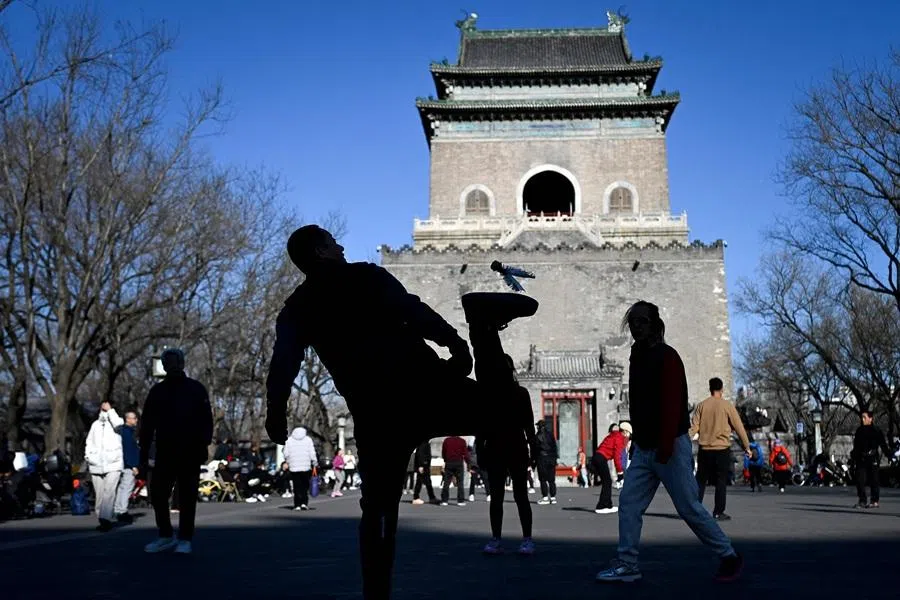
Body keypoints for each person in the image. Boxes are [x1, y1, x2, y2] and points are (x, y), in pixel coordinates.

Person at [264, 224, 538, 600]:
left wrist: (275, 413)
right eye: (332, 242)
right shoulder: (365, 276)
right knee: (503, 408)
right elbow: (412, 310)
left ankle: (376, 593)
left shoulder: (298, 309)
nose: (341, 245)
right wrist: (455, 342)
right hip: (426, 387)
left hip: (377, 413)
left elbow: (283, 364)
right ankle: (480, 323)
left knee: (376, 509)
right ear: (320, 252)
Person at [596, 301, 743, 584]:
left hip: (670, 446)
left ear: (654, 324)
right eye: (633, 321)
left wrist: (664, 445)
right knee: (628, 503)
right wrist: (637, 442)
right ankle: (627, 563)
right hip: (644, 447)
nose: (637, 326)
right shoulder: (636, 357)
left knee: (688, 507)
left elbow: (672, 404)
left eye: (642, 321)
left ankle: (729, 555)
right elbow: (638, 405)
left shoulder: (667, 357)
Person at [140, 348, 213, 555]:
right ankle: (165, 534)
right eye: (168, 363)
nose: (172, 366)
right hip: (165, 451)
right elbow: (146, 425)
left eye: (175, 362)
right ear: (163, 366)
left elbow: (206, 420)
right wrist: (143, 454)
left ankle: (185, 537)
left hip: (190, 451)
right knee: (158, 494)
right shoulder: (157, 392)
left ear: (182, 364)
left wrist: (203, 445)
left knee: (187, 497)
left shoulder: (196, 389)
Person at [477, 355, 538, 555]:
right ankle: (514, 539)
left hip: (511, 447)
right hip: (504, 447)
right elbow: (483, 427)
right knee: (504, 496)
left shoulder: (518, 394)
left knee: (512, 496)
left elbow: (528, 424)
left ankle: (509, 539)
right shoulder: (498, 394)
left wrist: (533, 448)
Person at [690, 377, 752, 521]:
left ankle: (694, 510)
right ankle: (718, 511)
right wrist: (747, 446)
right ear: (722, 389)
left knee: (700, 480)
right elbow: (738, 427)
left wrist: (684, 441)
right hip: (722, 448)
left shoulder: (701, 406)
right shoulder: (727, 406)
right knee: (721, 481)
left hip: (705, 448)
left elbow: (694, 428)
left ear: (710, 388)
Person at [85, 401, 124, 532]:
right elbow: (89, 441)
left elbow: (118, 423)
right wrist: (88, 456)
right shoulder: (95, 425)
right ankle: (101, 518)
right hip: (96, 463)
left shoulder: (117, 421)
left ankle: (105, 519)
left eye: (107, 406)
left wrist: (110, 411)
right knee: (100, 494)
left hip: (113, 463)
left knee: (109, 492)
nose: (104, 408)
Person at [851, 410, 891, 509]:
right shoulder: (859, 431)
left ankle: (874, 501)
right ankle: (862, 500)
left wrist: (889, 455)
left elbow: (883, 444)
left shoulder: (876, 430)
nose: (862, 419)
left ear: (870, 418)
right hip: (861, 458)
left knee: (874, 480)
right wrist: (853, 457)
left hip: (872, 458)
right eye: (862, 417)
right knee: (860, 480)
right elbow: (856, 446)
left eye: (864, 417)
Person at [592, 422, 631, 514]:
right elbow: (617, 457)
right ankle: (602, 506)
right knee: (607, 481)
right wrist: (620, 473)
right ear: (625, 432)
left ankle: (608, 505)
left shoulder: (614, 435)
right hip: (601, 458)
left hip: (597, 457)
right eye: (629, 434)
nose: (629, 437)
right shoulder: (620, 439)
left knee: (607, 481)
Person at [114, 410, 140, 523]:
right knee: (127, 487)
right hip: (128, 464)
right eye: (134, 418)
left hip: (123, 463)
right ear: (128, 419)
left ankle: (118, 509)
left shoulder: (123, 431)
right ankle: (122, 510)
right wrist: (133, 465)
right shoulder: (128, 432)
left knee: (122, 488)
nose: (136, 420)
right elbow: (128, 449)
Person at [284, 427, 318, 510]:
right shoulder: (308, 440)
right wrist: (314, 461)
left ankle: (297, 504)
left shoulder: (289, 440)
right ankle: (304, 503)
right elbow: (312, 452)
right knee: (304, 485)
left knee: (297, 486)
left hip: (294, 467)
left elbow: (286, 453)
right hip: (306, 466)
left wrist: (288, 461)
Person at [440, 435, 468, 506]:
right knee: (460, 482)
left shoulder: (446, 440)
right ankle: (460, 501)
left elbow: (443, 452)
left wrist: (445, 460)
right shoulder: (462, 441)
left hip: (449, 462)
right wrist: (469, 463)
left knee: (446, 482)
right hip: (458, 462)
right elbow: (465, 453)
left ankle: (444, 500)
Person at [535, 420, 558, 505]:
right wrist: (555, 459)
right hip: (551, 459)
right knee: (551, 480)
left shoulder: (537, 436)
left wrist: (533, 462)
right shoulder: (550, 435)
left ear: (539, 427)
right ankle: (553, 497)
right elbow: (555, 447)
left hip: (542, 459)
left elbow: (535, 450)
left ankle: (545, 497)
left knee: (543, 479)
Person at [411, 440, 436, 505]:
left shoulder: (424, 443)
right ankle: (416, 498)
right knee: (420, 482)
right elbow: (421, 454)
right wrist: (421, 465)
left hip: (424, 465)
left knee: (427, 482)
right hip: (423, 465)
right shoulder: (424, 443)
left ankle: (432, 497)